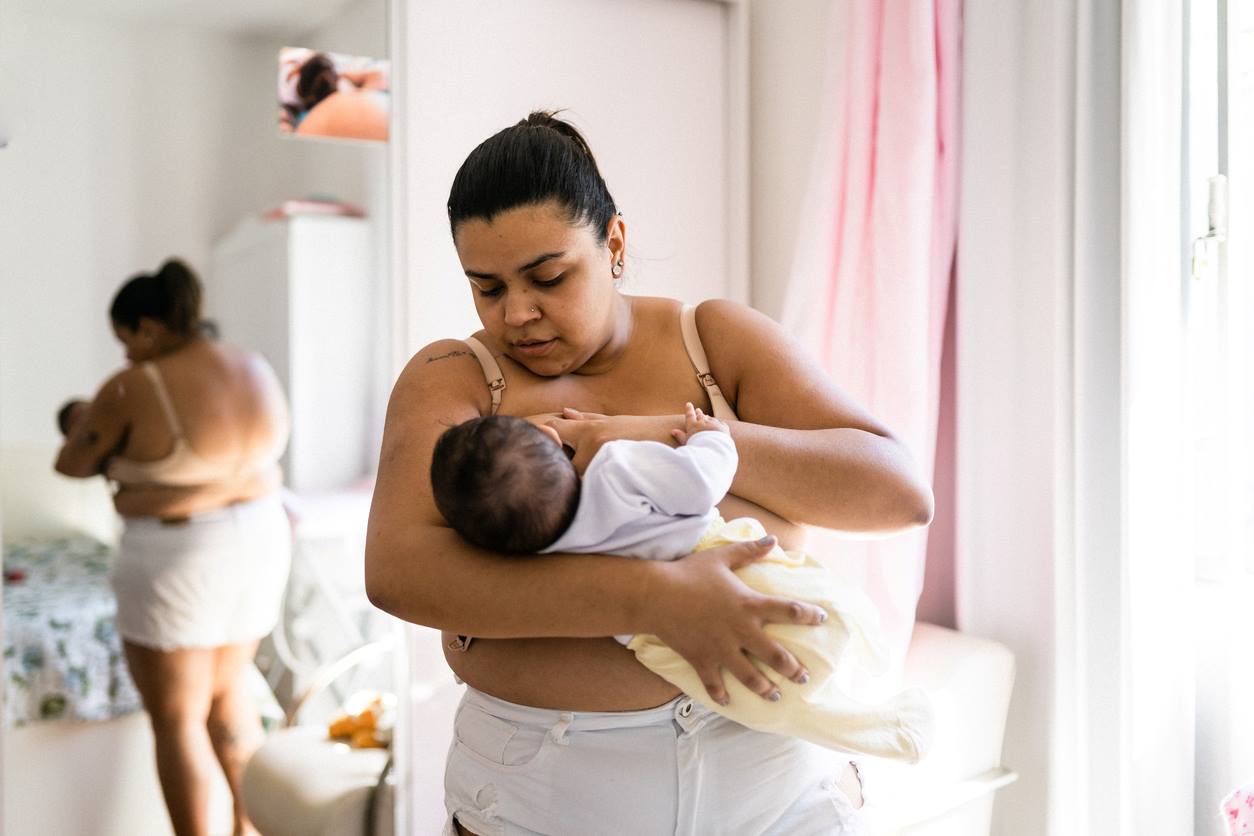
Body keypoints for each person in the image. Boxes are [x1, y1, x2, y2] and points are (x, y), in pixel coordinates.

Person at [364, 111, 934, 835]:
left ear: (615, 243)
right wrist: (654, 600)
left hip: (771, 792)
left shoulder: (714, 342)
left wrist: (650, 436)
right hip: (549, 795)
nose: (518, 314)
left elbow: (898, 493)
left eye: (547, 276)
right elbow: (399, 571)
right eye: (487, 287)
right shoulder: (457, 377)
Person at [430, 403, 934, 762]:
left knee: (779, 708)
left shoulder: (540, 557)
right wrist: (707, 434)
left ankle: (881, 731)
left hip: (662, 647)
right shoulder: (615, 469)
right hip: (731, 566)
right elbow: (702, 482)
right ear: (550, 437)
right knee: (832, 612)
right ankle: (877, 673)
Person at [54, 258, 291, 836]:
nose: (127, 354)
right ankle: (248, 827)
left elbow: (71, 462)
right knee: (230, 690)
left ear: (150, 327)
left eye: (127, 339)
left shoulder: (136, 383)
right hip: (262, 536)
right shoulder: (250, 365)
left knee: (178, 716)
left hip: (181, 553)